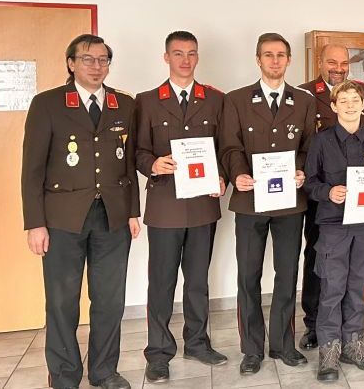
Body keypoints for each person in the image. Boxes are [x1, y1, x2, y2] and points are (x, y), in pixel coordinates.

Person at [21, 34, 139, 389]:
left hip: (113, 217)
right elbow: (32, 169)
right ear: (71, 63)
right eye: (88, 59)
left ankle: (104, 372)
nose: (96, 66)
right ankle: (65, 375)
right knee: (61, 303)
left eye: (103, 60)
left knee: (110, 301)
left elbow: (129, 165)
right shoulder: (48, 104)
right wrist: (35, 223)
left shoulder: (125, 104)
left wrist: (132, 211)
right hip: (62, 220)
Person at [218, 33, 317, 375]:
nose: (275, 61)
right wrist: (238, 173)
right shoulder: (236, 100)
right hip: (249, 200)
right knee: (248, 276)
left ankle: (283, 345)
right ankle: (251, 350)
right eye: (268, 55)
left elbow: (308, 146)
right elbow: (229, 146)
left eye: (281, 55)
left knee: (287, 274)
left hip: (290, 202)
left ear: (289, 60)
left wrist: (303, 169)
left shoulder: (304, 101)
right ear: (258, 60)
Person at [135, 31, 228, 383]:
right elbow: (139, 151)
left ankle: (198, 342)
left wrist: (223, 178)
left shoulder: (216, 99)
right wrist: (153, 164)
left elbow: (225, 149)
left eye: (191, 53)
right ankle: (158, 353)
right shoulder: (147, 101)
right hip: (165, 205)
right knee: (161, 283)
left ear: (198, 57)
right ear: (166, 58)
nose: (185, 60)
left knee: (197, 282)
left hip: (203, 205)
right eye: (177, 53)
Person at [298, 43, 364, 348]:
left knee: (356, 286)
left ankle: (353, 344)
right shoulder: (321, 142)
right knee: (332, 287)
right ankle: (329, 348)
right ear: (333, 106)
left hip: (363, 225)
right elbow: (310, 182)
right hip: (332, 224)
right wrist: (329, 191)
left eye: (355, 100)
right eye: (343, 100)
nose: (350, 105)